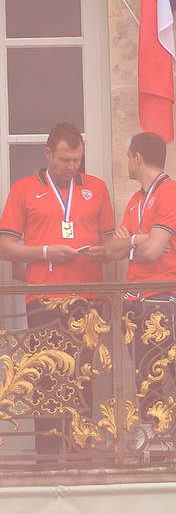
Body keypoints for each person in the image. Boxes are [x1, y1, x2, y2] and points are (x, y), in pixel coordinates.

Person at [0, 122, 114, 455]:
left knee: (83, 375)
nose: (72, 167)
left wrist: (102, 251)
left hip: (87, 297)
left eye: (77, 160)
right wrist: (47, 252)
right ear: (48, 153)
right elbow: (6, 246)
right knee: (47, 376)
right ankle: (48, 455)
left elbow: (108, 241)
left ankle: (78, 451)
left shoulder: (98, 188)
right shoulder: (23, 189)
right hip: (44, 297)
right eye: (65, 160)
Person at [108, 131, 176, 444]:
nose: (126, 162)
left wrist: (133, 242)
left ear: (137, 157)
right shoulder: (136, 199)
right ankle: (158, 438)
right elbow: (116, 249)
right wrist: (140, 240)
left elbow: (152, 252)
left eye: (127, 156)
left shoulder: (172, 193)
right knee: (144, 375)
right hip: (135, 298)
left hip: (167, 298)